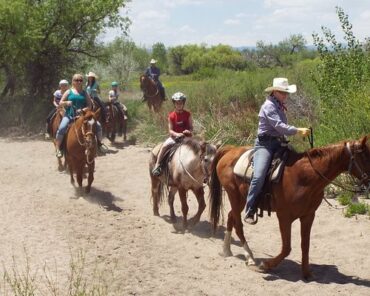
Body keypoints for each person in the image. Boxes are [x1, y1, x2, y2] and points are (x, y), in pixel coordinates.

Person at [244, 77, 310, 225]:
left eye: (286, 92)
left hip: (278, 143)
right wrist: (297, 130)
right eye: (282, 92)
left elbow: (280, 129)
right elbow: (279, 126)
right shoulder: (268, 106)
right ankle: (250, 208)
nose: (285, 95)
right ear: (274, 92)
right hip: (265, 145)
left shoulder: (279, 105)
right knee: (259, 175)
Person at [54, 73, 108, 158]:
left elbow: (90, 105)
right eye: (76, 80)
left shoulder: (85, 93)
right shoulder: (68, 92)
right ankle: (58, 148)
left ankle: (100, 144)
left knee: (97, 125)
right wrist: (66, 102)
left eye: (80, 80)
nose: (79, 82)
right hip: (69, 115)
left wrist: (83, 110)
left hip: (83, 116)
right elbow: (60, 103)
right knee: (62, 128)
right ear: (73, 82)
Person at [152, 92, 193, 176]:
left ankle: (201, 169)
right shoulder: (171, 116)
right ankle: (158, 164)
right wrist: (177, 134)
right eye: (177, 103)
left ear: (183, 103)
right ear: (174, 104)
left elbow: (191, 126)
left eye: (180, 103)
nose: (179, 105)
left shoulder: (188, 114)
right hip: (175, 138)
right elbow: (170, 130)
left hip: (187, 138)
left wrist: (189, 131)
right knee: (164, 146)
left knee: (198, 148)